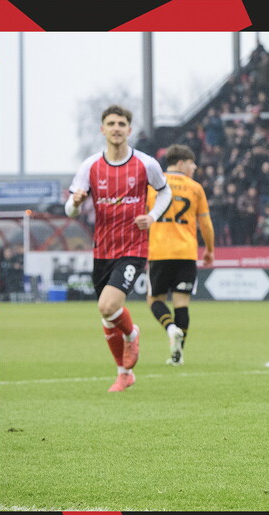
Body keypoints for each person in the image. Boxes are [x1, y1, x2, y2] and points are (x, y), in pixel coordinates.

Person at [65, 105, 172, 392]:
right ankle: (124, 373)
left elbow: (165, 192)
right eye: (111, 123)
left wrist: (152, 217)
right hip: (102, 249)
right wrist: (75, 202)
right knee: (108, 316)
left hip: (133, 247)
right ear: (102, 129)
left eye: (121, 123)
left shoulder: (145, 164)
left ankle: (132, 332)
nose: (116, 128)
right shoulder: (90, 166)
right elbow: (71, 210)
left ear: (129, 129)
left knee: (107, 306)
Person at [146, 143, 216, 366]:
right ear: (180, 163)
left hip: (159, 251)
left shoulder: (152, 187)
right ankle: (178, 354)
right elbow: (205, 224)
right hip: (186, 252)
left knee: (154, 300)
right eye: (192, 163)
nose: (194, 167)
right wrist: (210, 250)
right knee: (182, 303)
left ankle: (170, 328)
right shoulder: (195, 188)